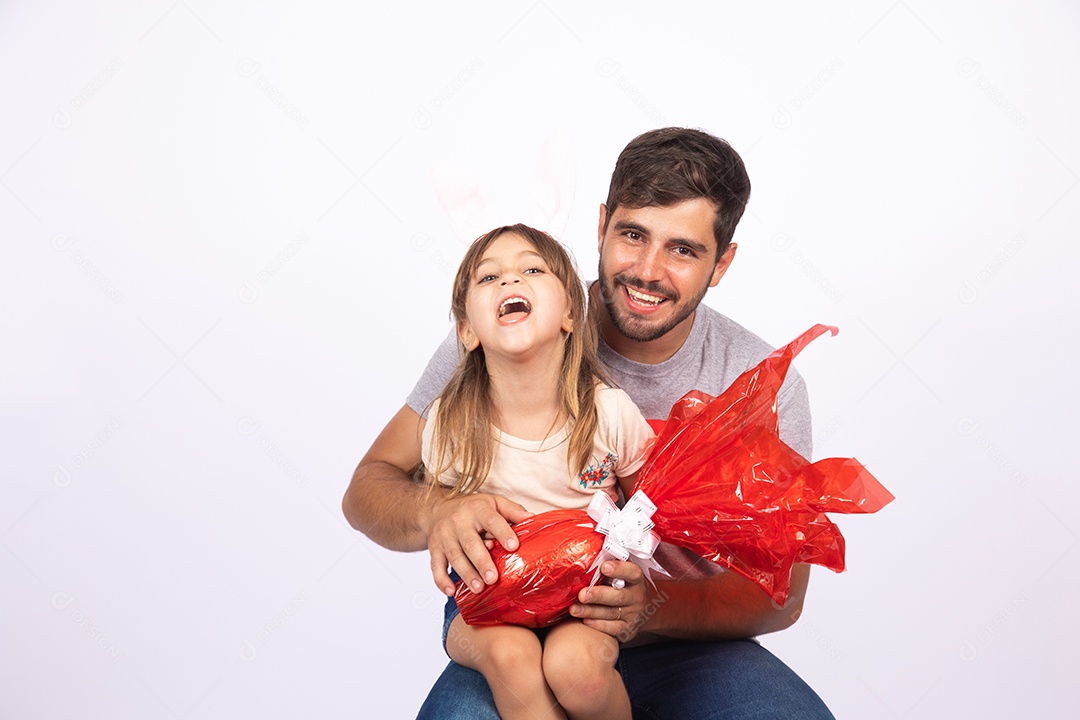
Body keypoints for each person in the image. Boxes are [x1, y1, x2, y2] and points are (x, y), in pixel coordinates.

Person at [344, 127, 835, 719]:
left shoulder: (759, 382)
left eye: (683, 249)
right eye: (632, 235)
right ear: (601, 226)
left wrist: (651, 608)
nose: (648, 271)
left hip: (687, 646)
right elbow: (369, 486)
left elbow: (779, 599)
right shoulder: (509, 324)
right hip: (519, 633)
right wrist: (435, 510)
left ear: (722, 261)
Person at [422, 222, 654, 720]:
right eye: (488, 278)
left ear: (570, 313)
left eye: (531, 269)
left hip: (583, 601)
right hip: (487, 603)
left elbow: (648, 511)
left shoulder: (609, 414)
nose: (509, 282)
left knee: (576, 668)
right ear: (466, 329)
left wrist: (633, 578)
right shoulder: (448, 422)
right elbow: (440, 517)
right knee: (513, 659)